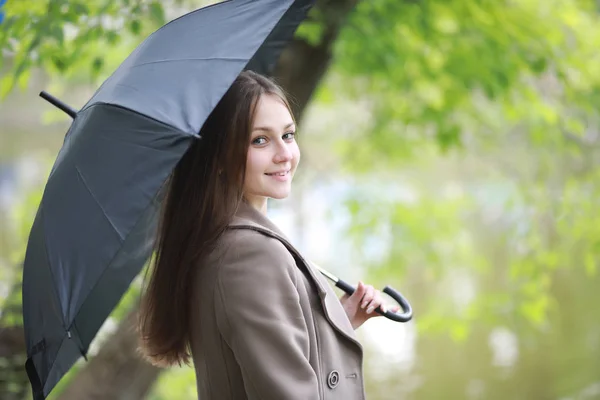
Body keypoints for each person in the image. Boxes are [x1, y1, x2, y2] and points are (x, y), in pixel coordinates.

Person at [138, 70, 398, 399]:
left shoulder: (221, 239)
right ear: (218, 156)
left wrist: (335, 324)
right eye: (260, 140)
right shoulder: (248, 254)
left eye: (288, 135)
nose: (284, 154)